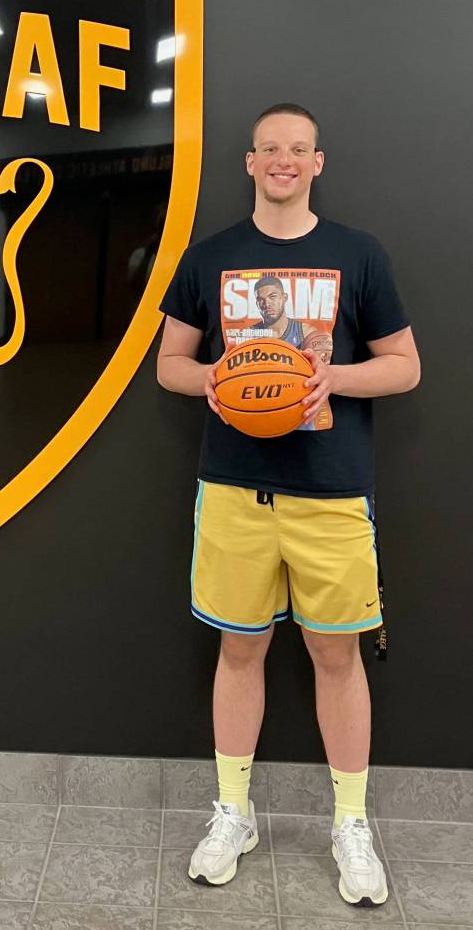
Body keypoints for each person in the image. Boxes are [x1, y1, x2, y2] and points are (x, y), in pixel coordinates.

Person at [157, 103, 420, 907]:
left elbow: (405, 366)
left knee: (336, 656)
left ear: (317, 163)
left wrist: (326, 378)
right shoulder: (211, 260)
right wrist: (221, 378)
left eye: (297, 149)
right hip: (234, 488)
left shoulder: (358, 255)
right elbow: (169, 362)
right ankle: (234, 812)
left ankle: (351, 824)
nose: (283, 159)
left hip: (332, 493)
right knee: (239, 652)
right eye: (269, 148)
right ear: (249, 162)